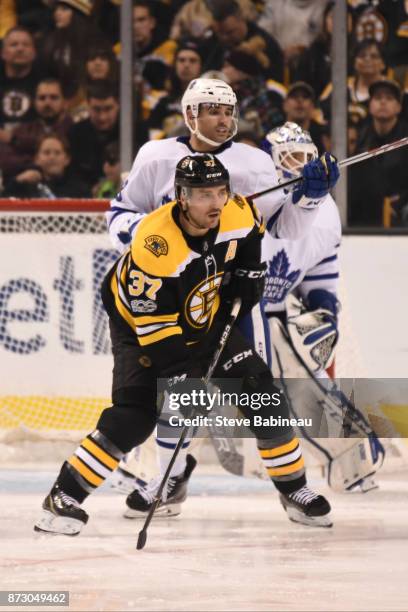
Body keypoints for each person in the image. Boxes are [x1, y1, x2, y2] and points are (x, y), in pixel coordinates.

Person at [34, 154, 332, 535]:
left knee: (264, 397)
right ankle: (63, 497)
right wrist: (186, 382)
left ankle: (295, 490)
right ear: (181, 196)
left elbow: (252, 232)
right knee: (135, 415)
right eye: (203, 194)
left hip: (202, 314)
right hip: (139, 326)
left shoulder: (237, 210)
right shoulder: (156, 244)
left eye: (220, 192)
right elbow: (156, 331)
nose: (215, 202)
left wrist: (248, 271)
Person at [107, 77, 339, 253]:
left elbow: (283, 228)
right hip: (168, 282)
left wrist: (310, 198)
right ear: (190, 114)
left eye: (228, 112)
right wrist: (152, 237)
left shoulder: (255, 162)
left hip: (232, 287)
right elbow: (121, 212)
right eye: (214, 111)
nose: (224, 120)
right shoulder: (155, 155)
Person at [348, 78, 408, 226]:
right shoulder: (360, 138)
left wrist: (401, 200)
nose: (383, 102)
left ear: (399, 107)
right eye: (378, 98)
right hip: (369, 206)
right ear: (370, 105)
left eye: (389, 98)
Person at [0, 78, 73, 182]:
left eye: (54, 97)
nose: (47, 103)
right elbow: (5, 160)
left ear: (65, 102)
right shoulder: (23, 130)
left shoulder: (75, 130)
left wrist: (20, 143)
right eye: (42, 98)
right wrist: (38, 163)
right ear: (34, 103)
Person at [3, 134, 91, 198]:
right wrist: (17, 182)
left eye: (57, 153)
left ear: (67, 159)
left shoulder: (80, 189)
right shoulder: (25, 185)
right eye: (46, 152)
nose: (52, 157)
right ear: (36, 159)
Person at [0, 27, 42, 139]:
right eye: (14, 44)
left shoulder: (45, 84)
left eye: (26, 44)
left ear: (34, 53)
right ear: (3, 53)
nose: (20, 49)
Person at [283, 82, 330, 154]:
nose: (299, 101)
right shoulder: (273, 136)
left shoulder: (323, 136)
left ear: (312, 106)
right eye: (294, 96)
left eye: (305, 97)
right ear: (285, 105)